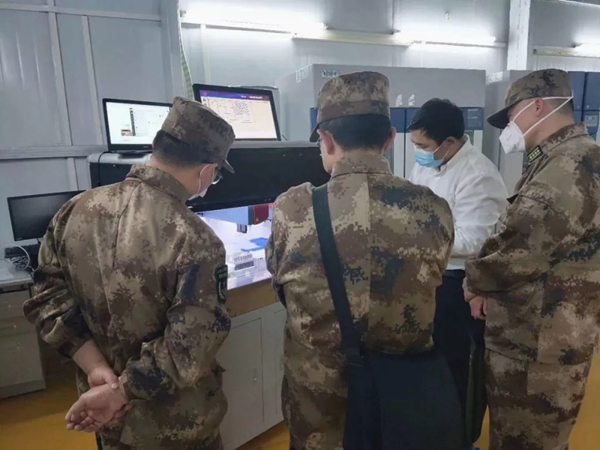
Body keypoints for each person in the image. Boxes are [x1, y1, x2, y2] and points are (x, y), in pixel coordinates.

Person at [23, 97, 236, 450]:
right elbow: (189, 346)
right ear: (207, 172)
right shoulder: (195, 237)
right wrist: (121, 392)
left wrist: (96, 370)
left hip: (106, 418)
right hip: (177, 428)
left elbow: (46, 300)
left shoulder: (74, 211)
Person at [266, 71, 456, 448]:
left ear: (325, 139)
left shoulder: (293, 209)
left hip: (319, 407)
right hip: (403, 404)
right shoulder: (433, 209)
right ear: (389, 138)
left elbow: (282, 287)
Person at [463, 69, 600, 450]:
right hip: (549, 335)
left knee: (525, 440)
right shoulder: (567, 158)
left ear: (538, 106)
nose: (510, 127)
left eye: (512, 116)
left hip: (536, 346)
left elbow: (520, 250)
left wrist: (474, 280)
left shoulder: (567, 168)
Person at [408, 99, 508, 449]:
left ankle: (461, 439)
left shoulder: (478, 175)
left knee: (457, 372)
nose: (418, 152)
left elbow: (475, 240)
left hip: (459, 286)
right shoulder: (429, 164)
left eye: (423, 146)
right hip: (428, 278)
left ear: (448, 142)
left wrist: (418, 238)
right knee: (430, 369)